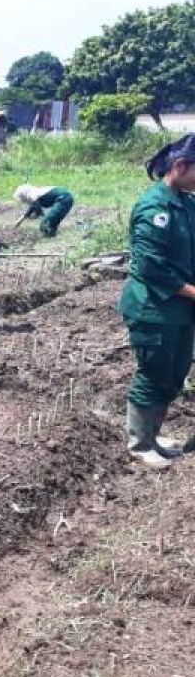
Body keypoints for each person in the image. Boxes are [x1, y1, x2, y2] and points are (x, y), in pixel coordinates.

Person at [117, 135, 195, 469]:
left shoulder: (186, 203)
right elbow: (151, 267)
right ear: (180, 167)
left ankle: (154, 434)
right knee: (154, 372)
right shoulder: (155, 208)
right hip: (154, 307)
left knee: (175, 373)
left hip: (179, 308)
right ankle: (139, 443)